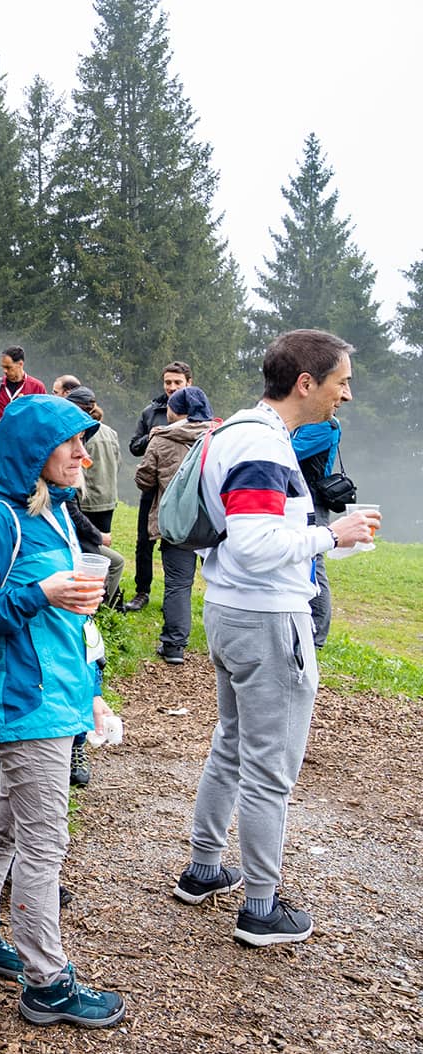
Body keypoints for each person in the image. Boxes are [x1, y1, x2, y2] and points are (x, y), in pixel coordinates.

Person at [172, 330, 377, 946]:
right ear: (306, 383)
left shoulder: (235, 430)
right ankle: (260, 908)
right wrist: (332, 535)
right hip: (266, 621)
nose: (346, 394)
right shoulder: (263, 445)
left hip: (229, 610)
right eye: (341, 381)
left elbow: (246, 534)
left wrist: (327, 541)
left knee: (231, 745)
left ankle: (204, 869)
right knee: (270, 769)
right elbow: (255, 544)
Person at [0, 394, 125, 1029]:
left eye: (82, 443)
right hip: (24, 704)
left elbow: (69, 624)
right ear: (33, 451)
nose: (82, 455)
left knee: (4, 827)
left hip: (59, 696)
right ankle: (47, 982)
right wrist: (37, 593)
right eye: (69, 444)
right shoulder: (0, 521)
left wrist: (91, 688)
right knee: (43, 844)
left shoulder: (59, 515)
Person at [134, 386, 217, 664]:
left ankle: (174, 646)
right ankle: (224, 643)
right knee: (222, 581)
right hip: (214, 523)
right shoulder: (219, 436)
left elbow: (144, 479)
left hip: (177, 523)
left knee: (178, 584)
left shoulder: (162, 438)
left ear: (177, 411)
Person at [125, 361, 192, 613]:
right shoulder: (151, 411)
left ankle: (173, 597)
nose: (172, 387)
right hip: (152, 488)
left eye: (177, 382)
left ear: (189, 383)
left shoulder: (197, 411)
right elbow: (134, 447)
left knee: (178, 544)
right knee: (144, 542)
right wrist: (151, 435)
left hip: (182, 490)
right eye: (168, 382)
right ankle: (142, 592)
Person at [291, 417, 348, 649]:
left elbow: (290, 451)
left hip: (313, 503)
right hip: (302, 500)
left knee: (314, 562)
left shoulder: (324, 425)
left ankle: (316, 636)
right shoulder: (310, 423)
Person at [65, 388, 119, 535]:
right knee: (103, 541)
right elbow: (117, 463)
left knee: (86, 541)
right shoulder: (110, 432)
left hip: (86, 500)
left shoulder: (80, 434)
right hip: (107, 498)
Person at [0, 346, 46, 446]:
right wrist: (0, 423)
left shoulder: (37, 387)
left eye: (8, 367)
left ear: (20, 364)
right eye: (3, 367)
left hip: (25, 447)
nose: (5, 371)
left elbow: (43, 419)